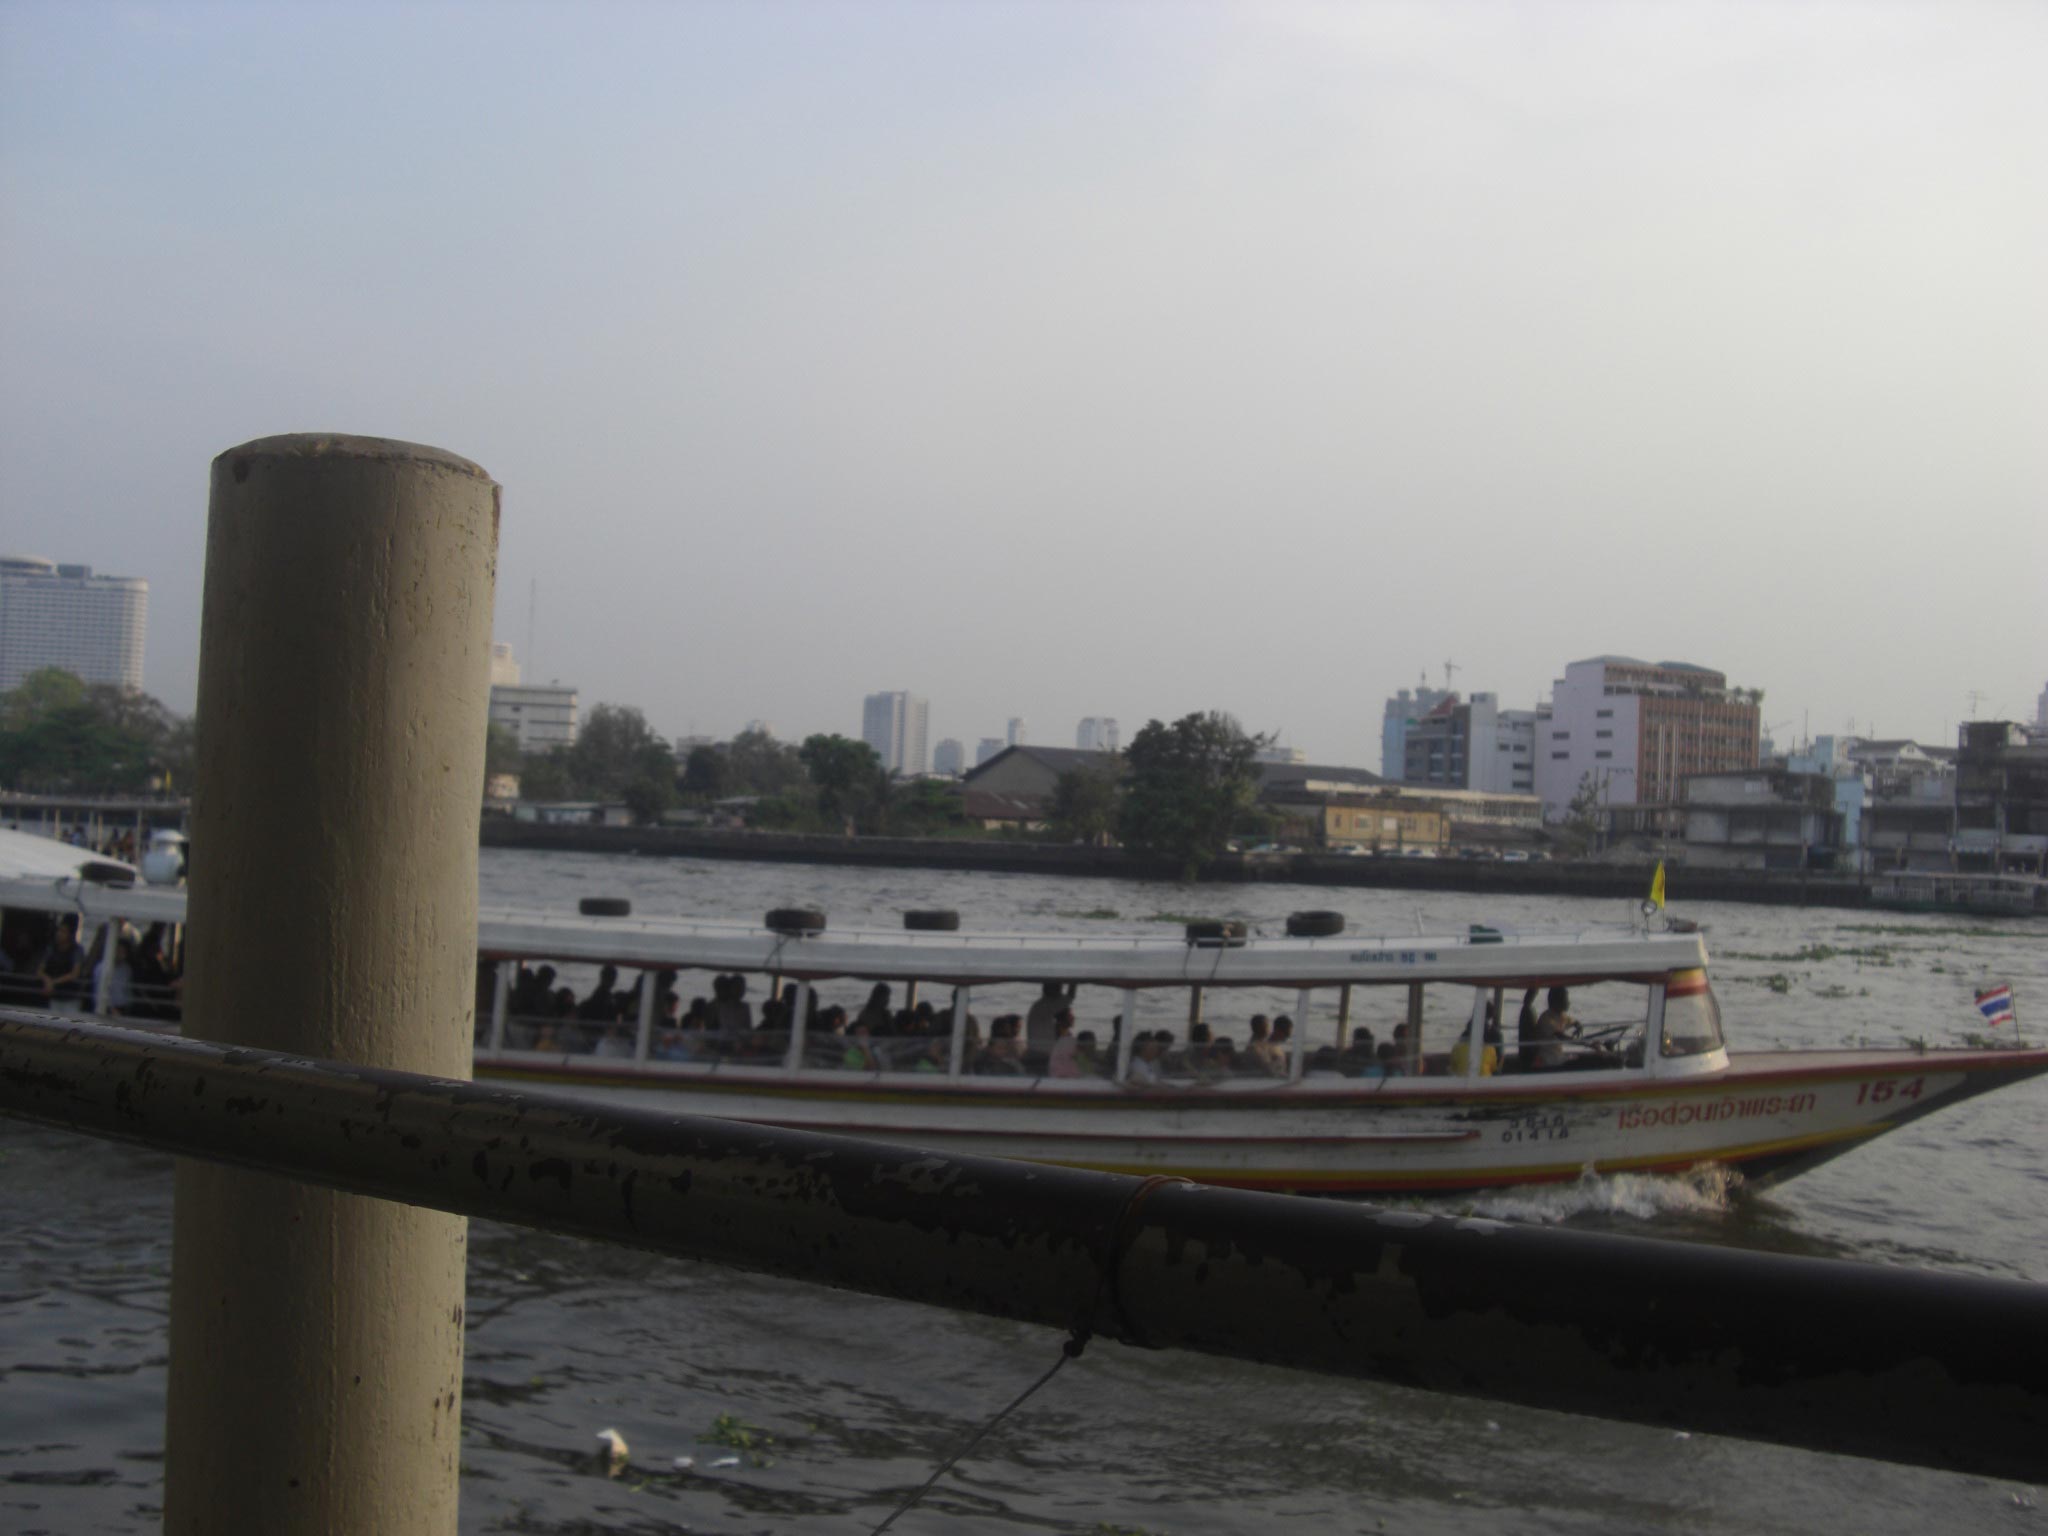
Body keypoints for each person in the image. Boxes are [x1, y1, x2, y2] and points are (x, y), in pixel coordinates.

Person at [1026, 981, 1077, 1050]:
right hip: (1040, 1051)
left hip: (1038, 1048)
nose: (1060, 993)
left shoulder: (1040, 1005)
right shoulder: (1045, 1005)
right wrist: (1074, 980)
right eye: (1059, 989)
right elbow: (1070, 997)